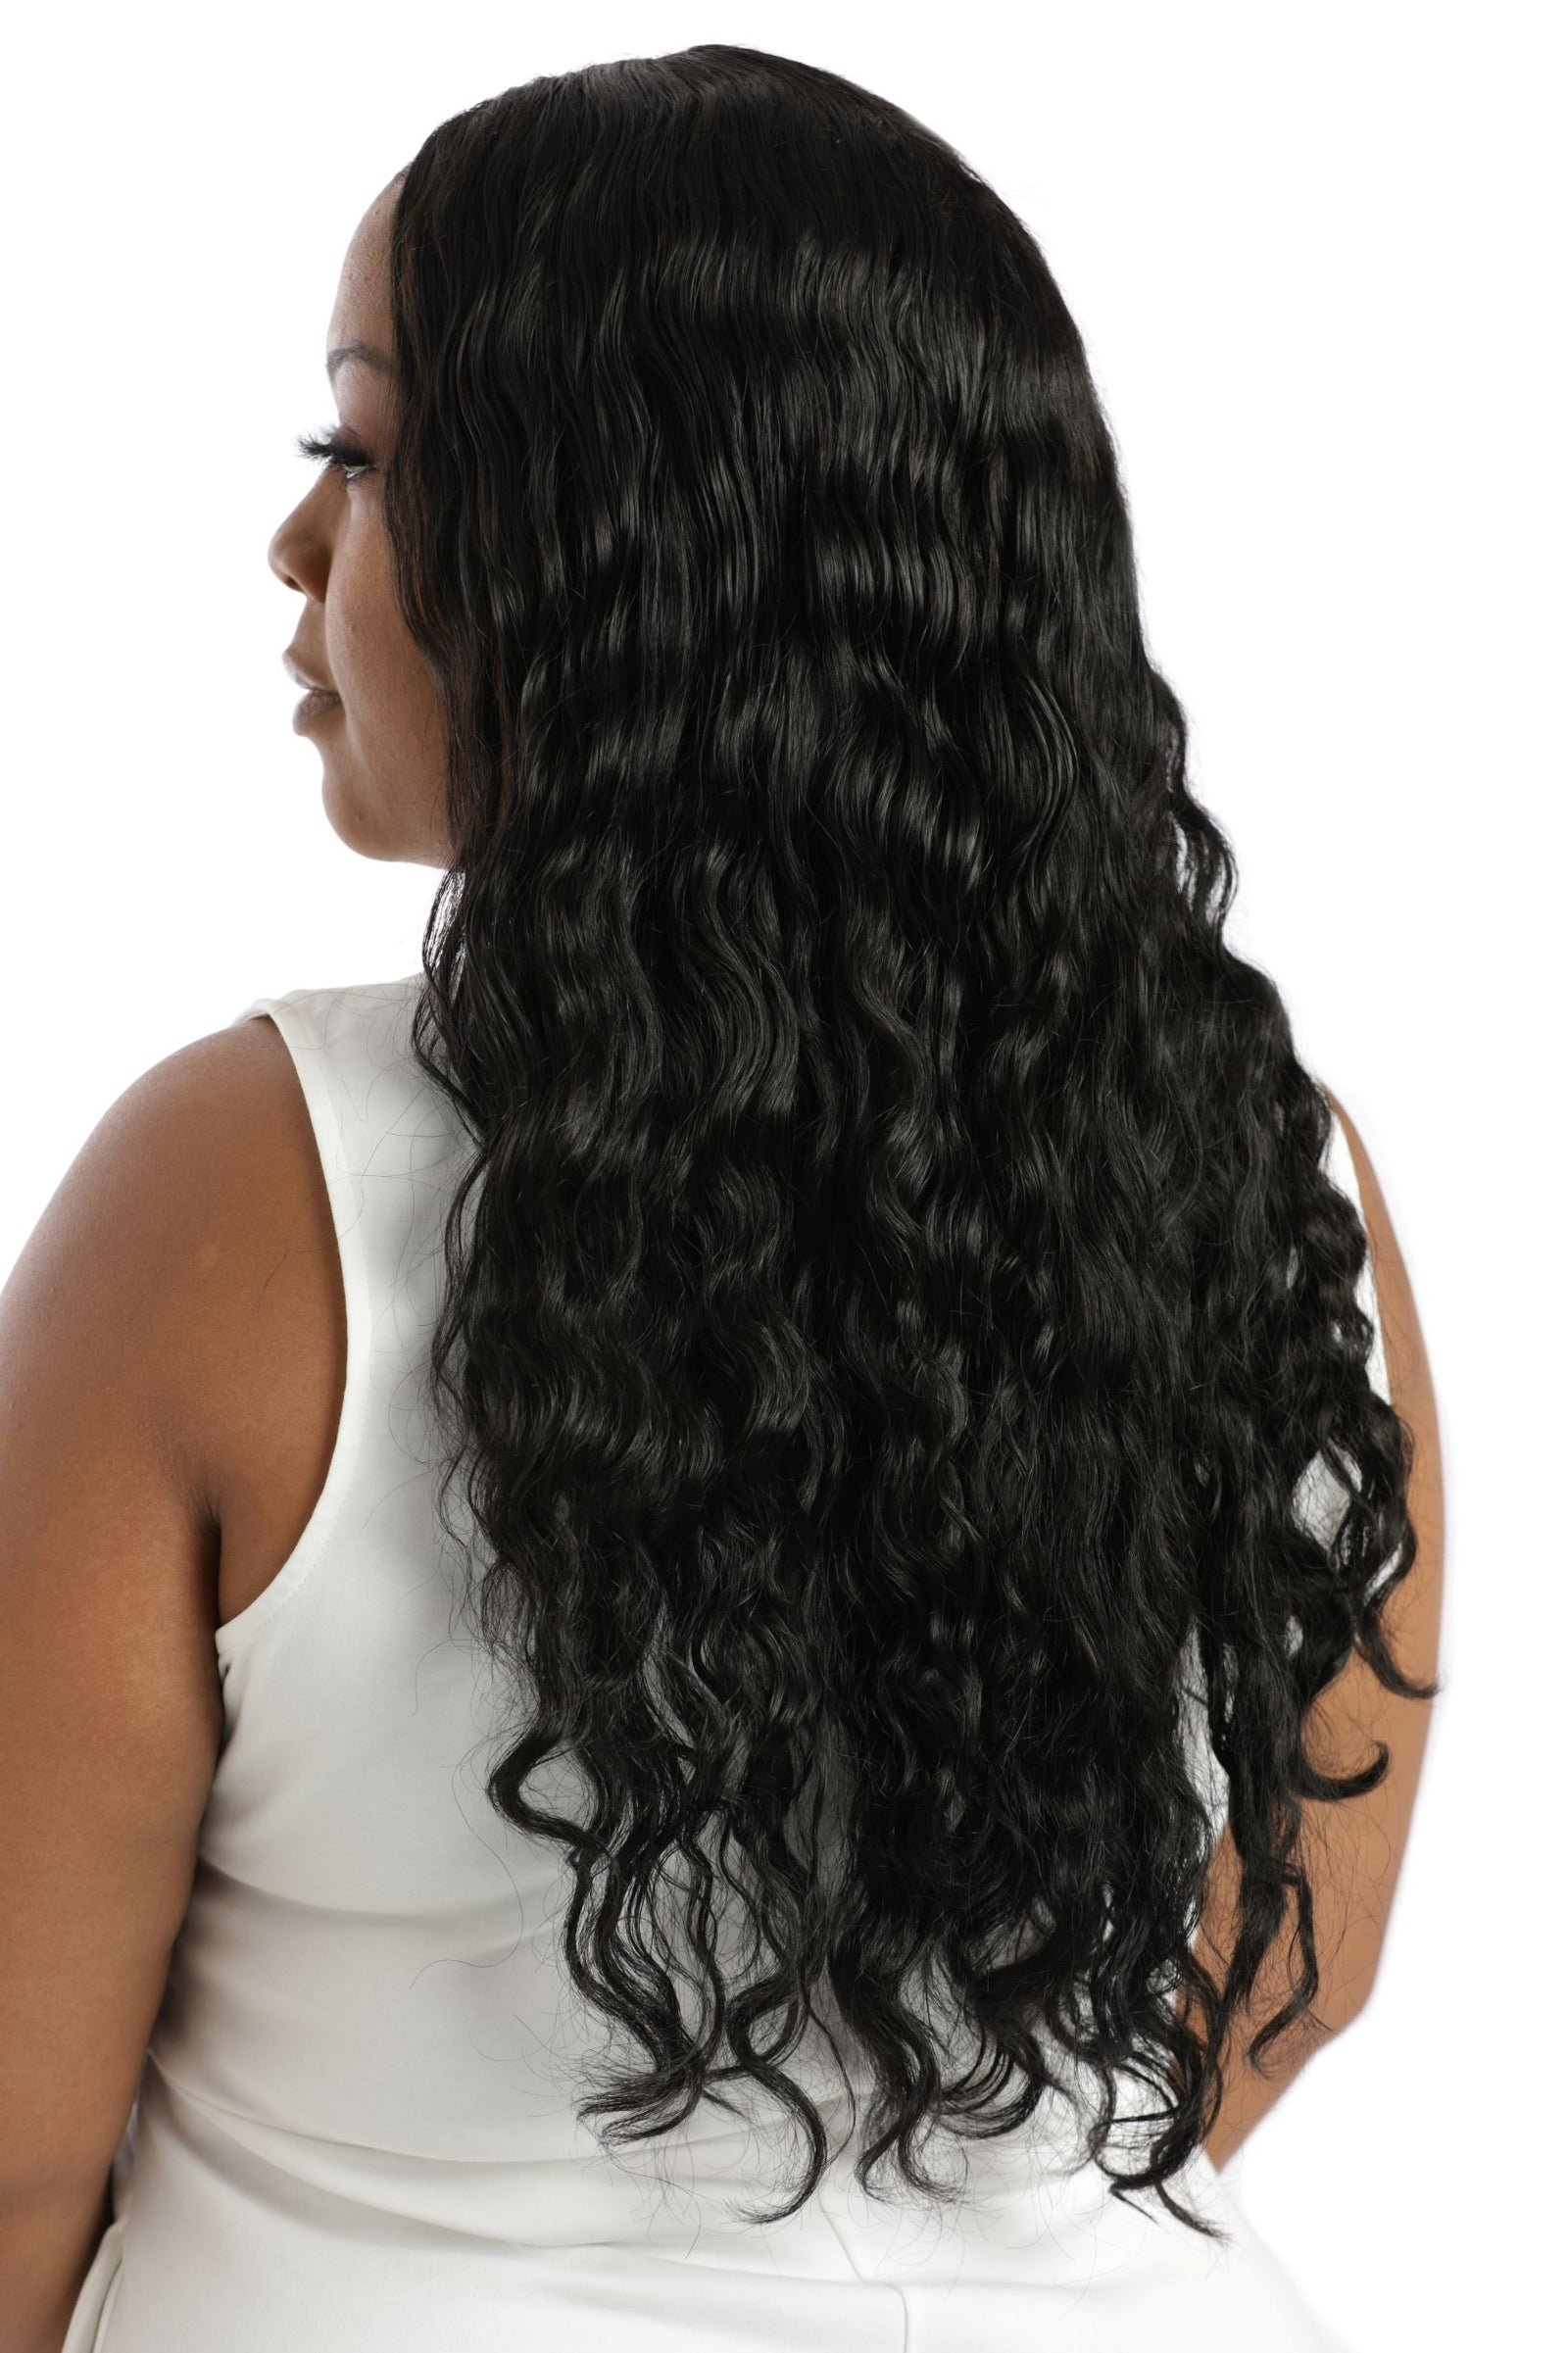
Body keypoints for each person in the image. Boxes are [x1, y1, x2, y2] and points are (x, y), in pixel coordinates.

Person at [0, 46, 1444, 2353]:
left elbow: (8, 2135)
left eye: (357, 454)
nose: (294, 543)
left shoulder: (244, 1190)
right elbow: (1290, 1960)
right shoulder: (1269, 1174)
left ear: (611, 555)